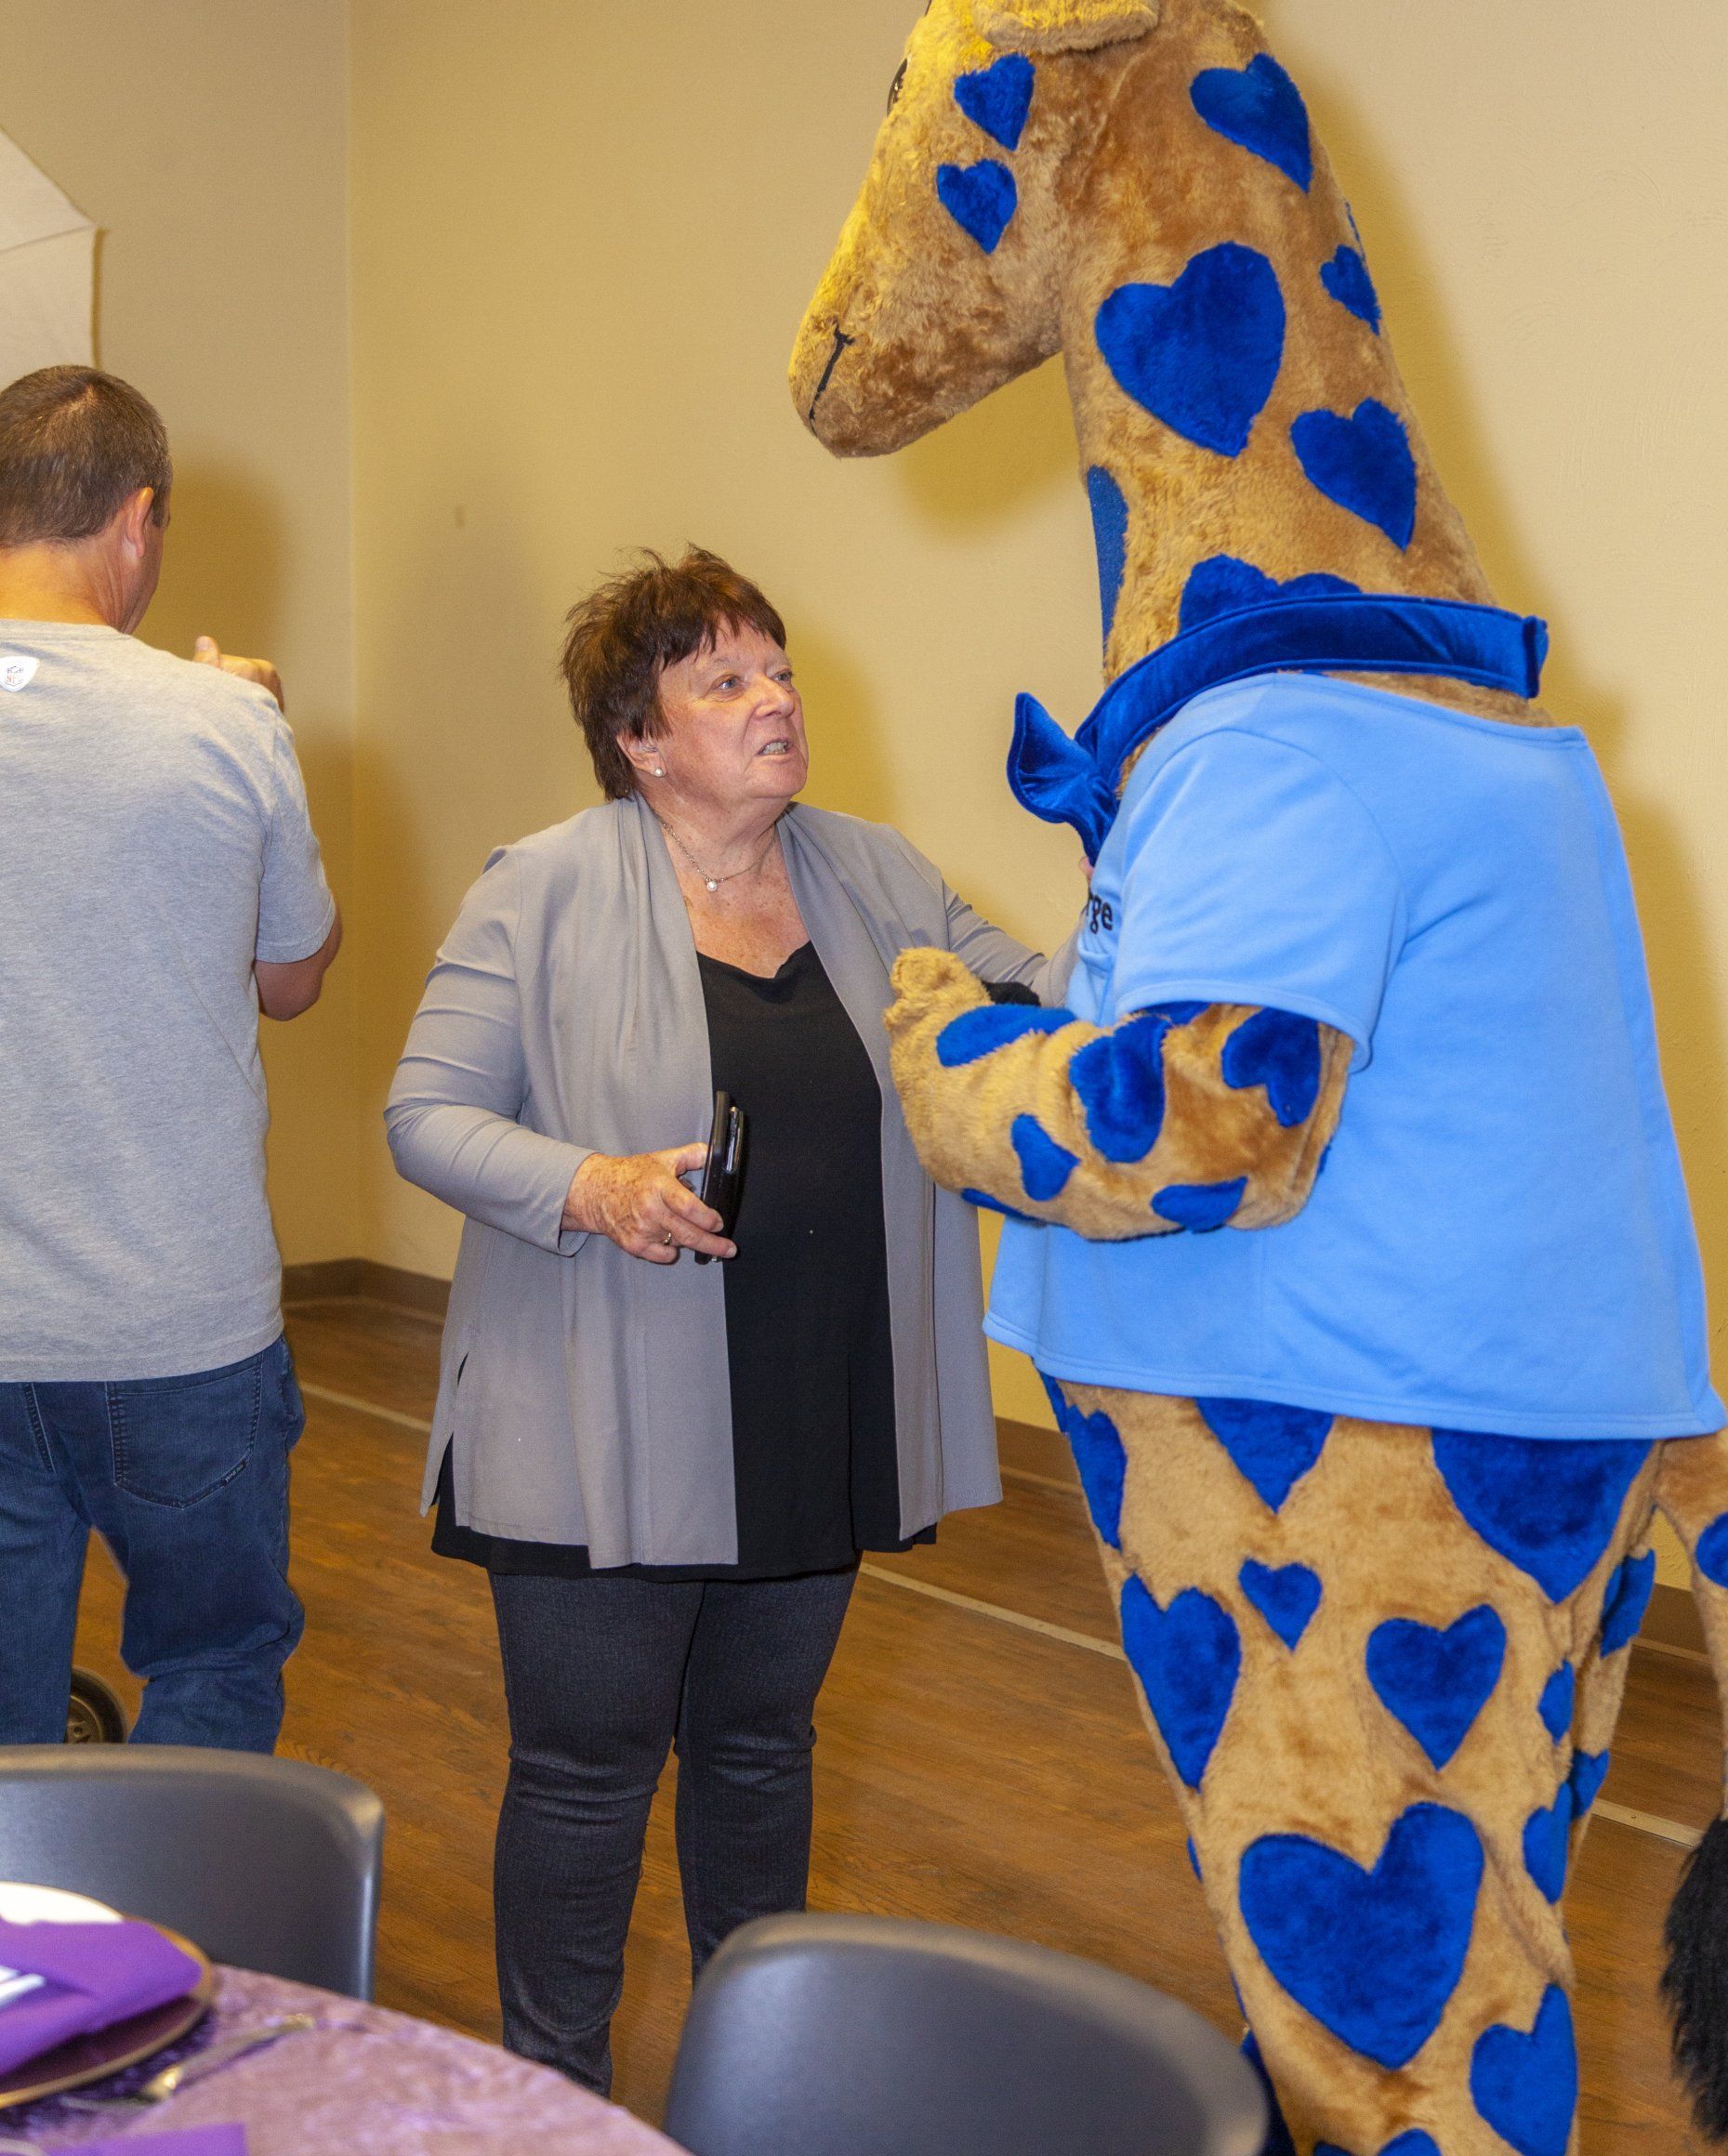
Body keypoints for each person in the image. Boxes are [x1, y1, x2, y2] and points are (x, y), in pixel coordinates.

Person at [386, 546, 1057, 2096]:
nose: (776, 701)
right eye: (726, 681)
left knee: (760, 1756)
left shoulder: (877, 872)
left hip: (813, 1399)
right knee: (587, 1773)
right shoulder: (542, 885)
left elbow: (1041, 1009)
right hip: (596, 1411)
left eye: (781, 670)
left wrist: (1131, 858)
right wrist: (597, 1183)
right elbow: (425, 1115)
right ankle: (553, 2101)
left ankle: (757, 2089)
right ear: (640, 737)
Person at [0, 365, 339, 1752]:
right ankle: (179, 1908)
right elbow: (293, 979)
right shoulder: (223, 723)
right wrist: (250, 718)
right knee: (212, 1662)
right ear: (137, 519)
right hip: (177, 1322)